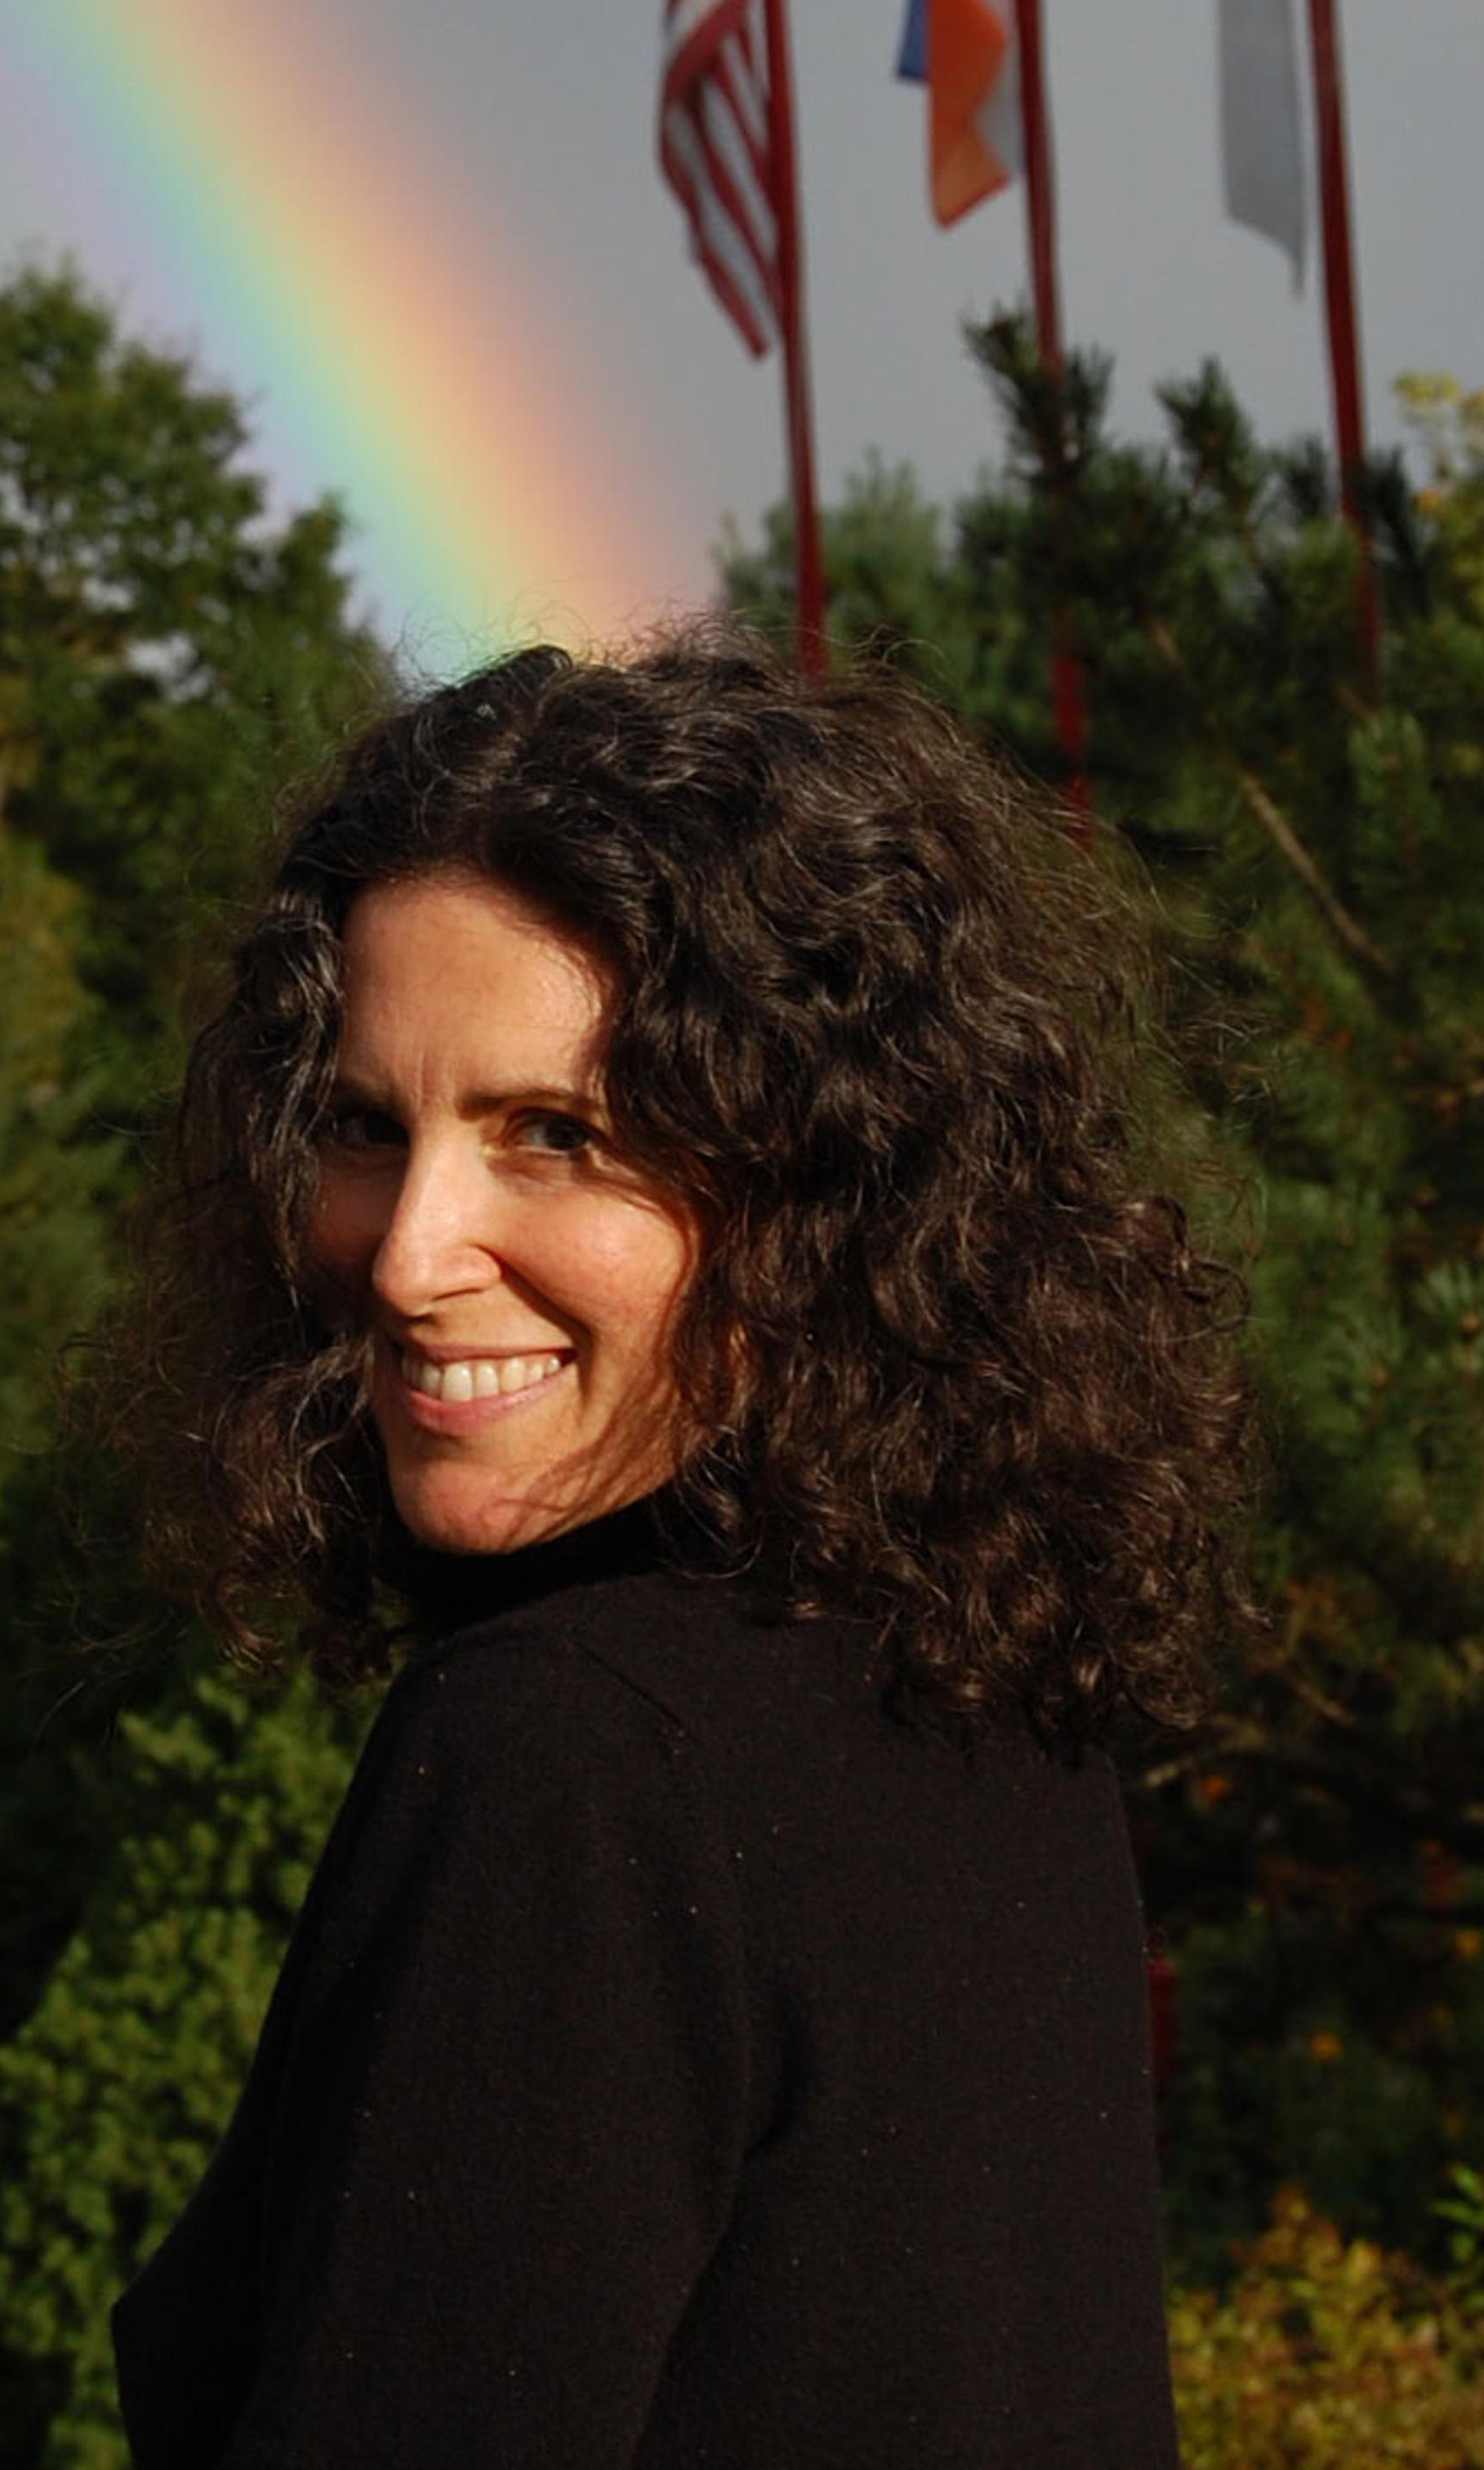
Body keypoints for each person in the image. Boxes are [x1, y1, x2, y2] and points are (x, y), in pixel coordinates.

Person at [102, 625, 1248, 2469]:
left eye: (553, 1135)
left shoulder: (576, 1756)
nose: (408, 1253)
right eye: (361, 1129)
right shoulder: (962, 1690)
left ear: (810, 1186)